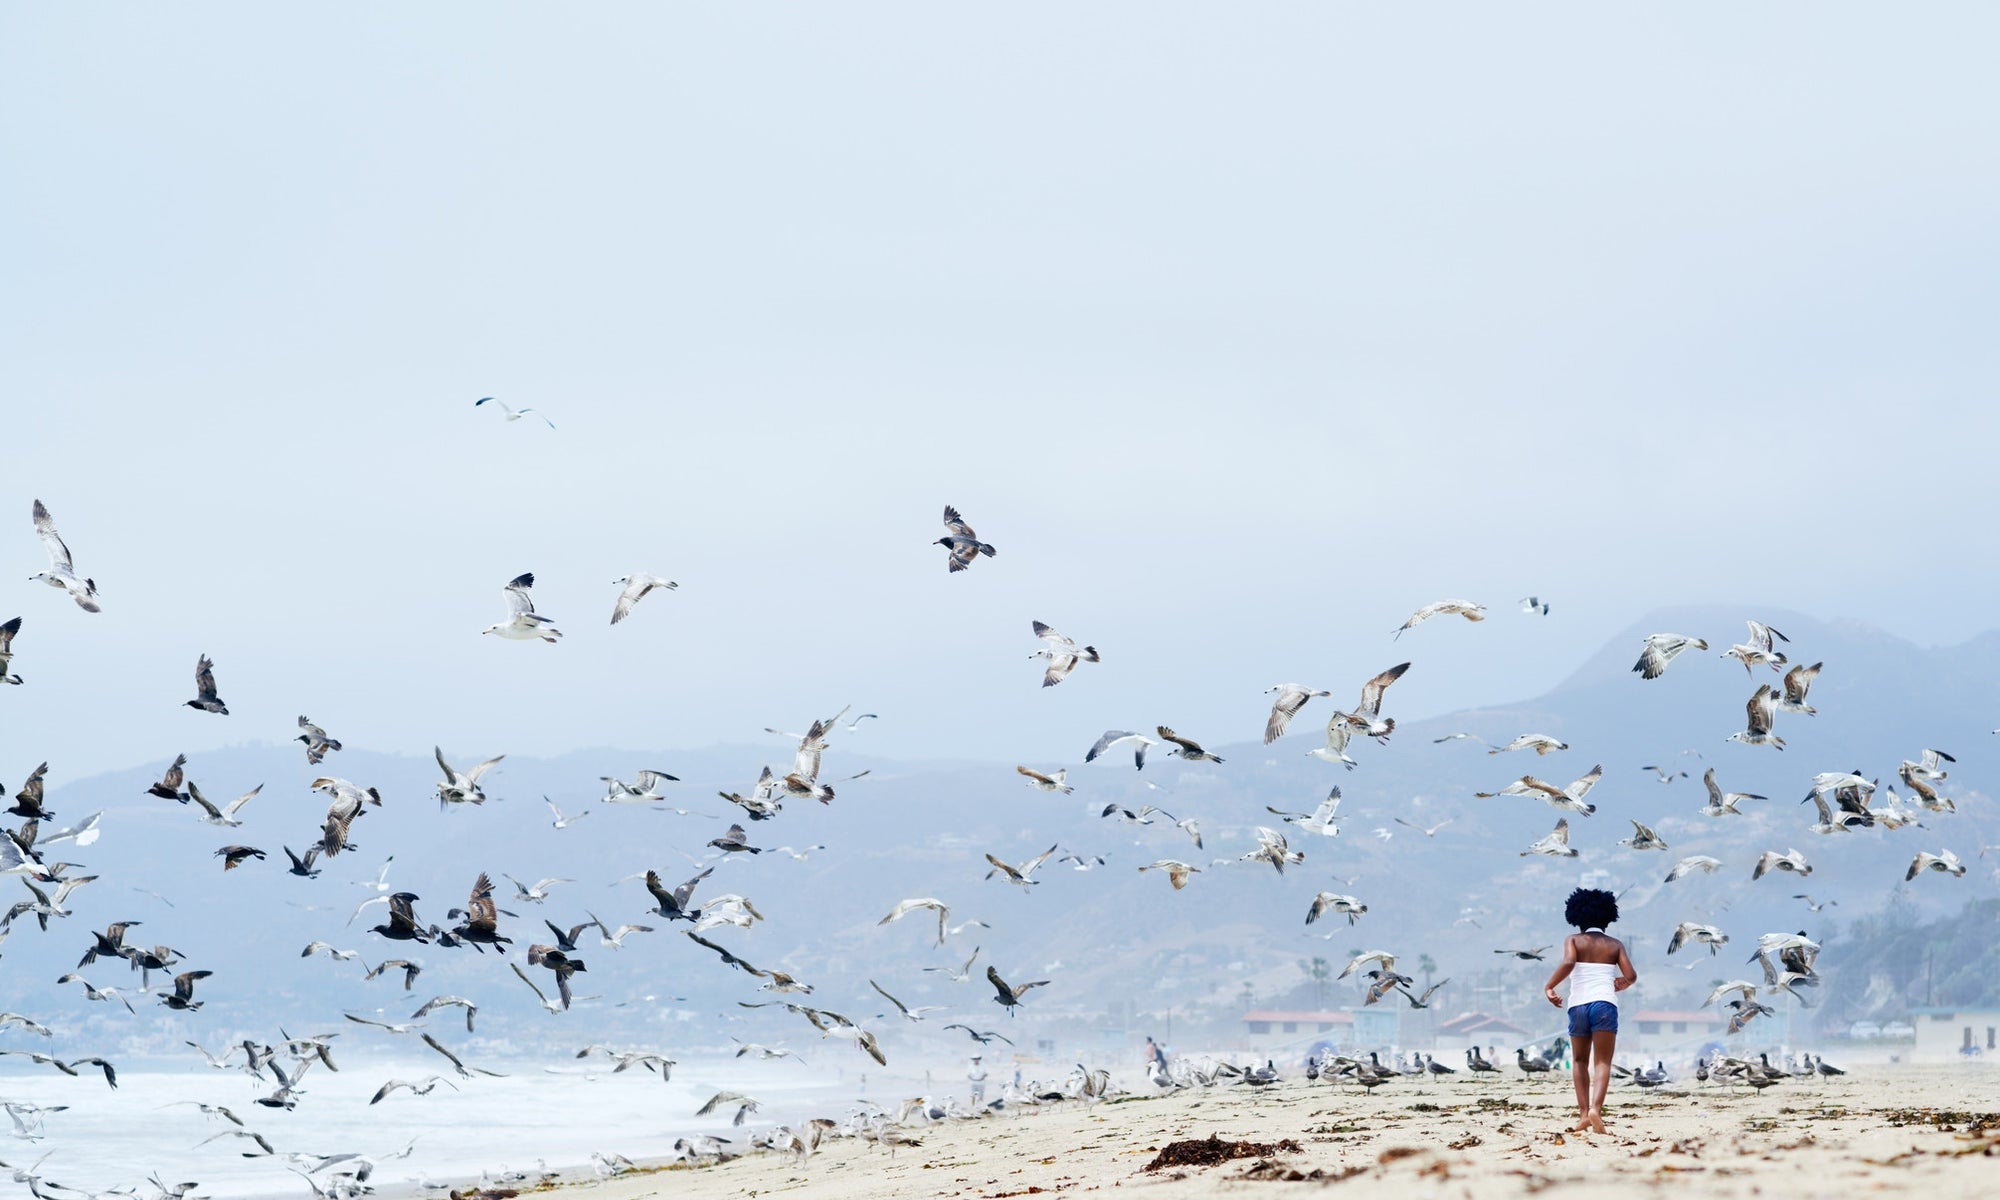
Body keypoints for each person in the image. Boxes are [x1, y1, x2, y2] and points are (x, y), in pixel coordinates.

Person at [1542, 887, 1636, 1134]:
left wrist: (1550, 985)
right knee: (1602, 1061)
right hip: (1604, 1004)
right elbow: (1631, 975)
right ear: (1608, 916)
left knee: (1579, 1060)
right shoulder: (1615, 945)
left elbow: (1569, 962)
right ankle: (1596, 1109)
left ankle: (1583, 1114)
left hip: (1578, 1006)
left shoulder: (1573, 940)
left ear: (1576, 915)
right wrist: (1622, 983)